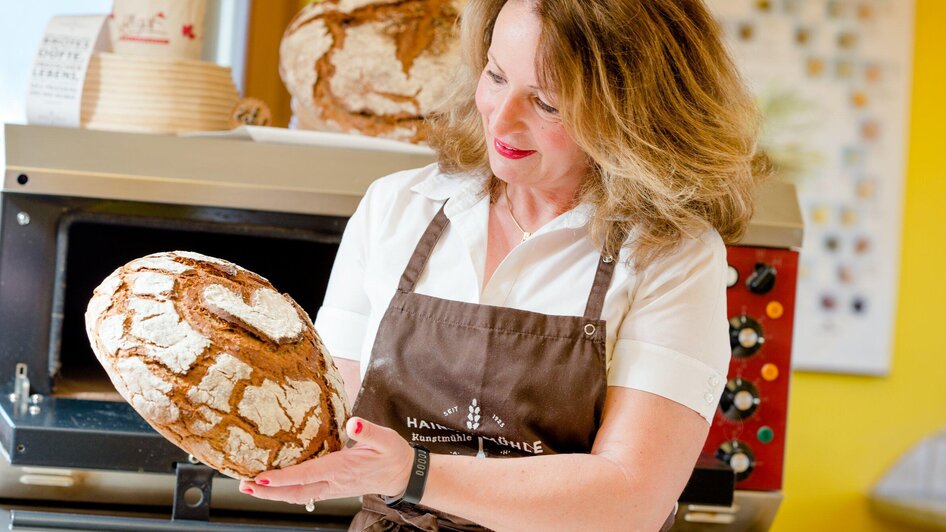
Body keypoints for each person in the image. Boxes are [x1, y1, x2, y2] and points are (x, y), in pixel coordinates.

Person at [241, 0, 764, 530]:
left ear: (631, 113)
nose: (502, 116)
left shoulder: (670, 253)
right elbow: (330, 418)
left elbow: (632, 498)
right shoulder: (398, 209)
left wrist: (413, 473)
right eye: (495, 75)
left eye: (547, 104)